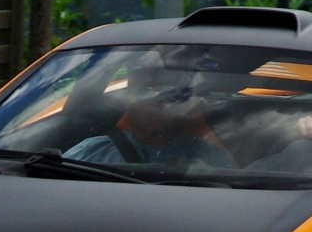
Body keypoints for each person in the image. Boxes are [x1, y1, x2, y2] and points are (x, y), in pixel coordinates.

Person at [63, 64, 235, 168]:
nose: (155, 100)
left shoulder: (209, 157)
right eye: (144, 91)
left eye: (166, 93)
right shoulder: (91, 151)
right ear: (128, 97)